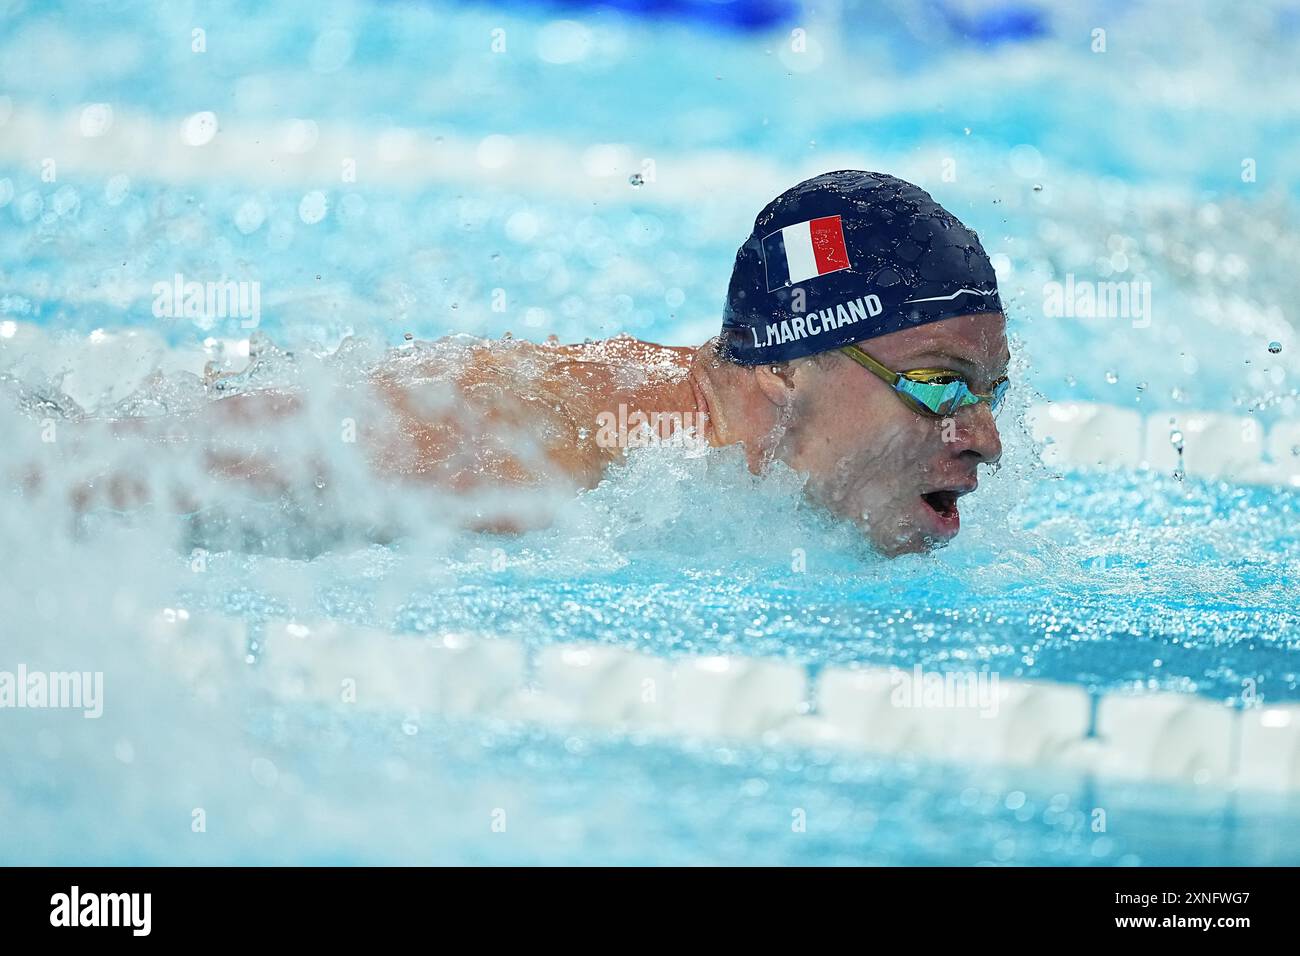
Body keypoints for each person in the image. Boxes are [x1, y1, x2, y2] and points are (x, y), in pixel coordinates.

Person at [65, 170, 1010, 556]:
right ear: (784, 368)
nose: (986, 442)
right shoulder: (549, 449)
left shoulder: (724, 485)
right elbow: (113, 483)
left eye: (992, 395)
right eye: (939, 384)